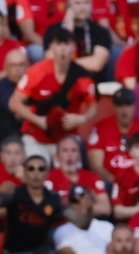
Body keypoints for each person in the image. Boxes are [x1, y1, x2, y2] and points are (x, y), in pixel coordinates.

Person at [8, 27, 98, 161]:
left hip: (67, 138)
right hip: (36, 137)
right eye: (59, 44)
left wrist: (82, 118)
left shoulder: (82, 76)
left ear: (73, 47)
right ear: (51, 47)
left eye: (66, 44)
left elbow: (93, 106)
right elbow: (14, 103)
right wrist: (37, 120)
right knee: (36, 169)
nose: (63, 50)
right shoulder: (37, 71)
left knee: (69, 174)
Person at [2, 155, 65, 254]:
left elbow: (79, 220)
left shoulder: (53, 198)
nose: (36, 173)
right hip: (16, 253)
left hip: (43, 253)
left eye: (41, 169)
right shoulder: (14, 194)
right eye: (31, 169)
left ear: (47, 173)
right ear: (25, 172)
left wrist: (86, 206)